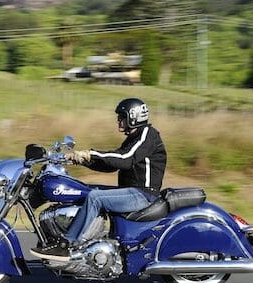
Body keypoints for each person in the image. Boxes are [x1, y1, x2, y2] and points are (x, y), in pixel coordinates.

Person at [30, 98, 167, 261]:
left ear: (133, 116)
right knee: (87, 190)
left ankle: (67, 244)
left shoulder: (147, 135)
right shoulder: (134, 137)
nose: (118, 121)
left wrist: (91, 153)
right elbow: (112, 165)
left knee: (95, 198)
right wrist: (82, 161)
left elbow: (125, 158)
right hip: (131, 190)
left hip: (143, 195)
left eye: (122, 117)